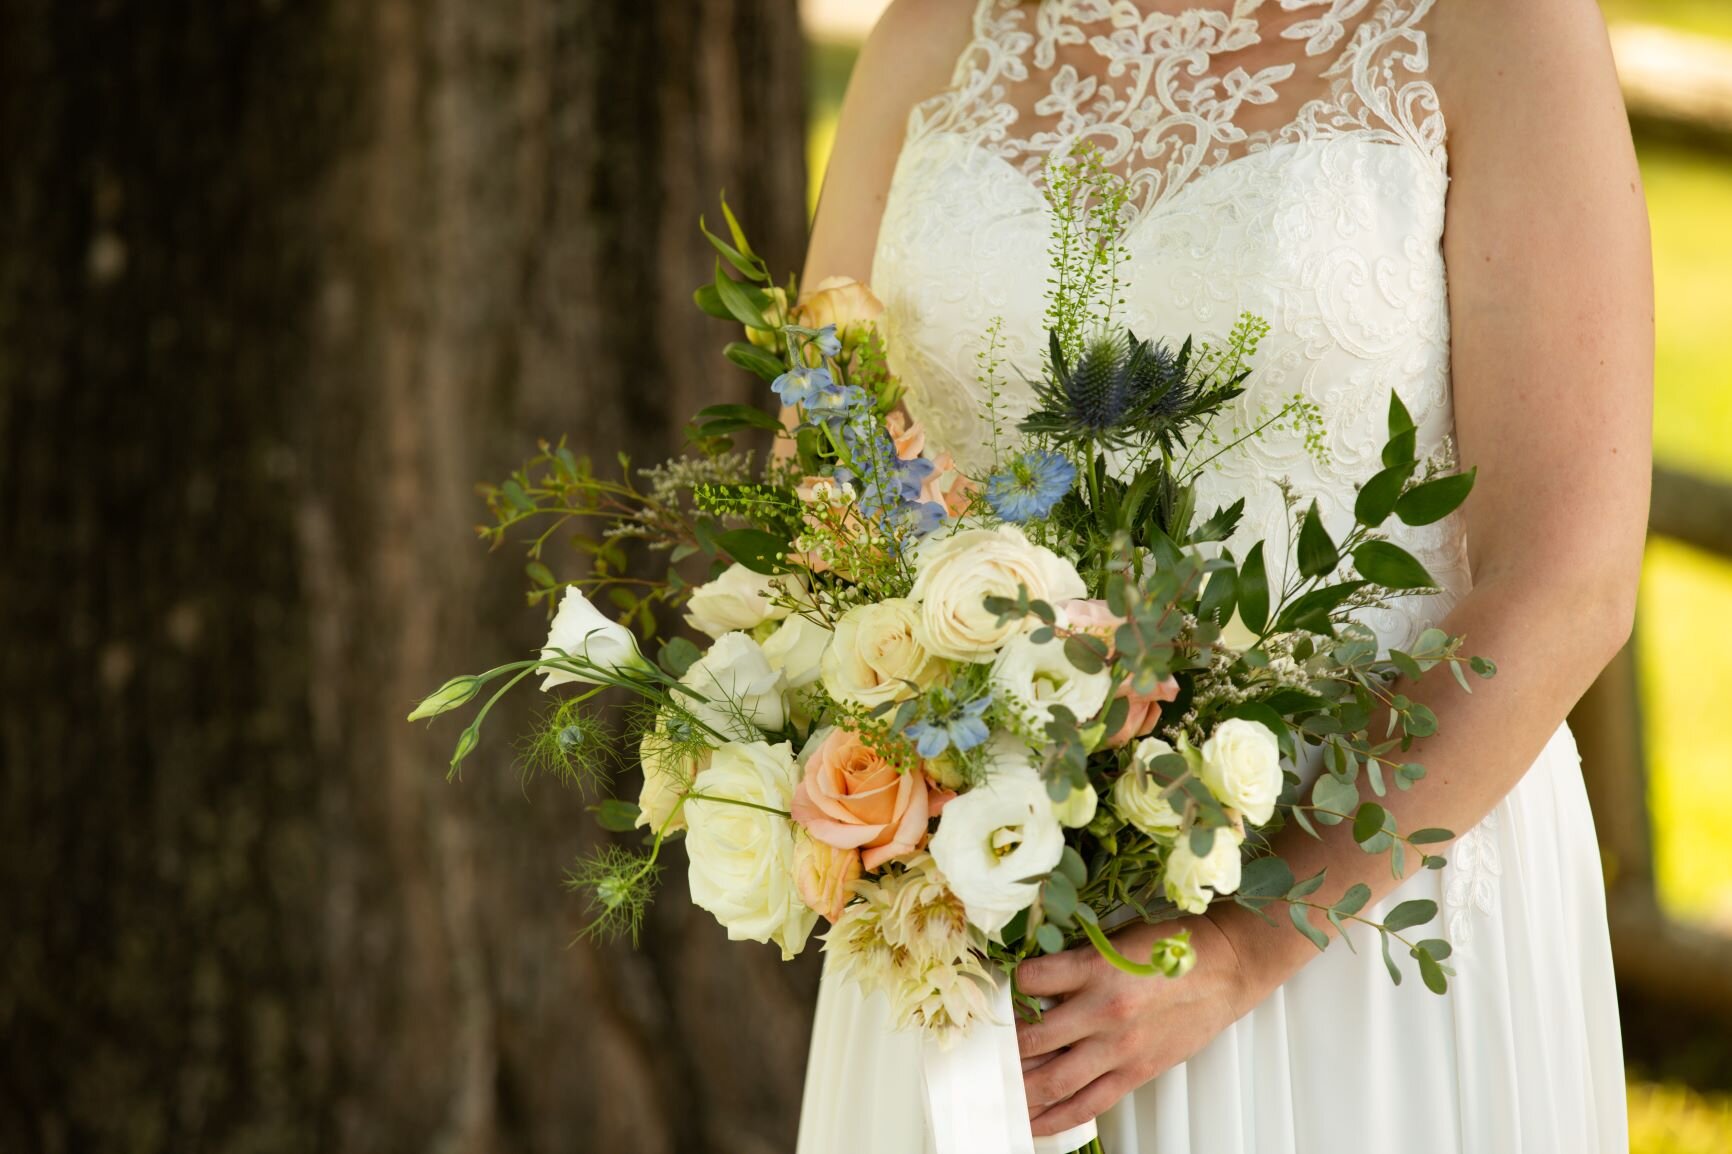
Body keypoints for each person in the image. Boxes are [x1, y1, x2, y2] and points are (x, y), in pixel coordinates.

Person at [794, 2, 1652, 1151]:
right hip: (978, 938)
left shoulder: (1498, 26)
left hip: (1359, 917)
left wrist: (1248, 943)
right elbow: (825, 469)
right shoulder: (938, 29)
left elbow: (1569, 577)